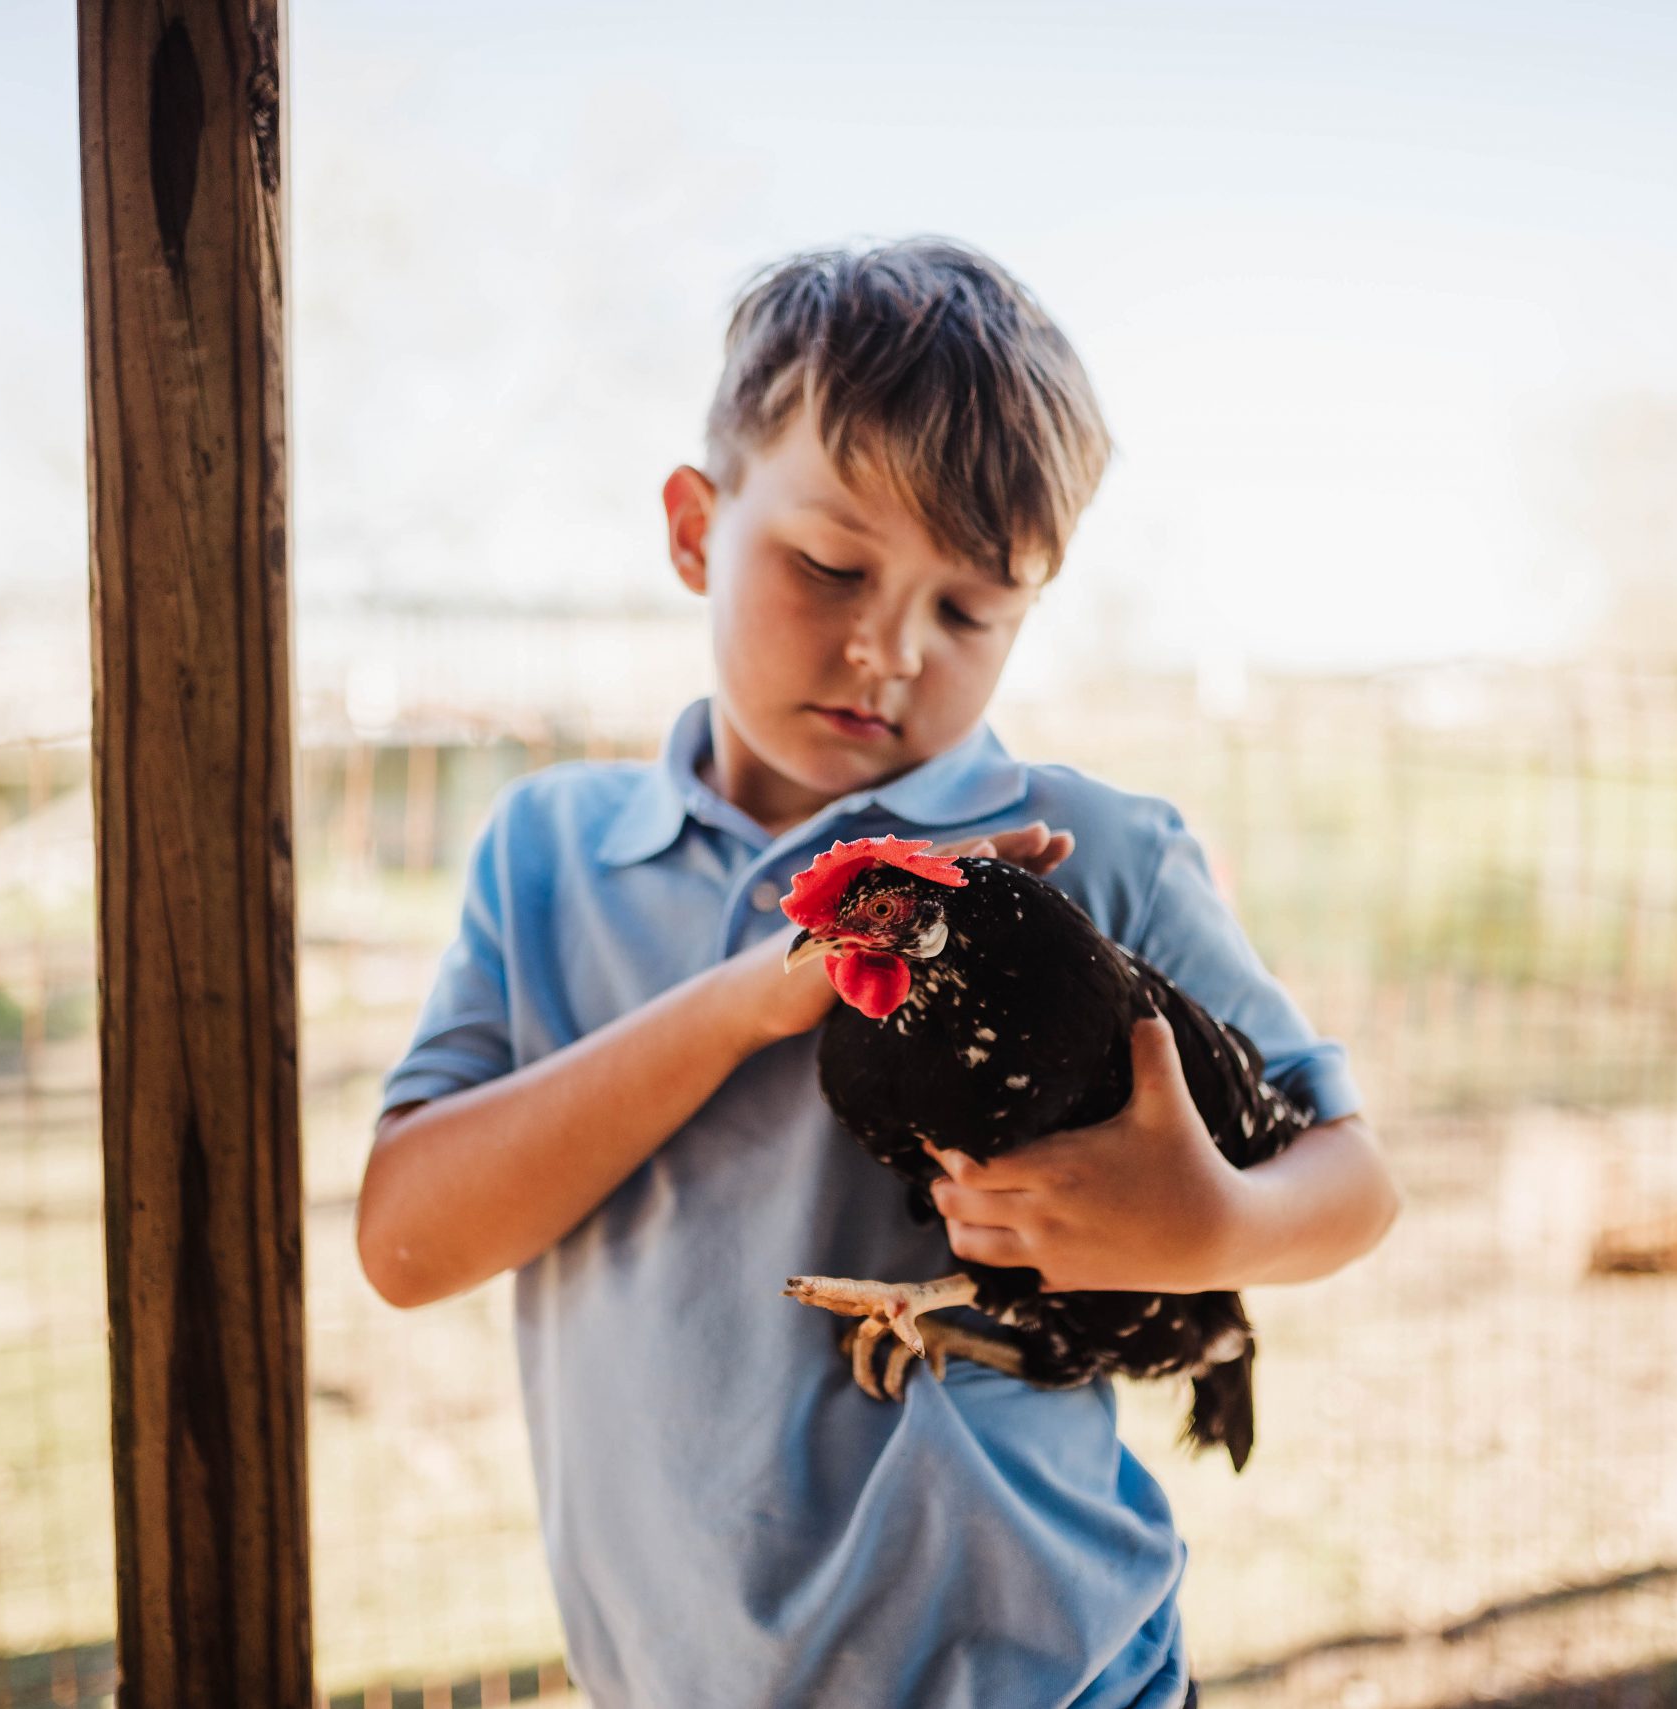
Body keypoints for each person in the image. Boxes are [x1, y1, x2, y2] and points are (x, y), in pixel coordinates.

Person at [356, 237, 1400, 1709]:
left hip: (1038, 1674)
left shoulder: (1085, 852)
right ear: (691, 529)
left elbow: (1356, 1182)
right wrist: (738, 1007)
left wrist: (1212, 1220)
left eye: (971, 608)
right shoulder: (548, 857)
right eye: (831, 566)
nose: (889, 648)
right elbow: (406, 1244)